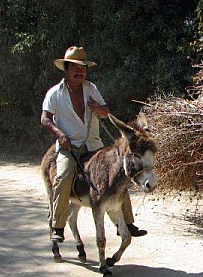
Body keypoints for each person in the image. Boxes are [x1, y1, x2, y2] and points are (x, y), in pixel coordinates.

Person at [41, 46, 147, 242]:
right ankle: (58, 226)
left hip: (94, 145)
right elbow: (45, 119)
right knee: (63, 177)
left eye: (83, 68)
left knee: (120, 174)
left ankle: (127, 223)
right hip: (69, 147)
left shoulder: (91, 89)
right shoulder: (55, 93)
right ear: (67, 68)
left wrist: (98, 108)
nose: (80, 71)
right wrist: (59, 134)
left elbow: (106, 112)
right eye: (75, 67)